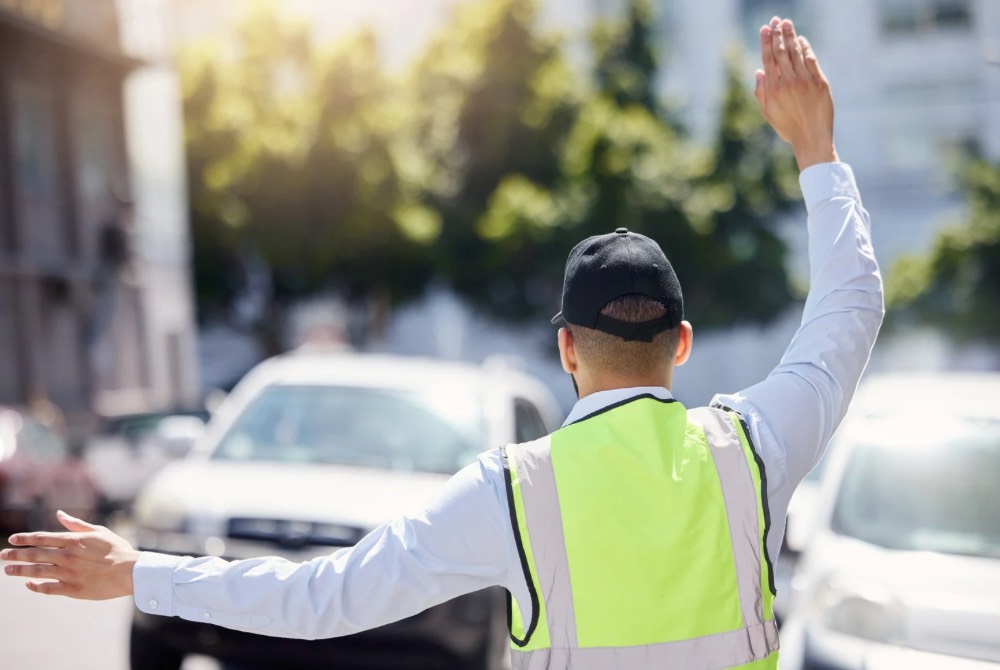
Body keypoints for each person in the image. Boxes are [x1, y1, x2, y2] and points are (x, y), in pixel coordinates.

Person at [1, 17, 882, 669]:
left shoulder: (514, 491)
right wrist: (817, 151)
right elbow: (851, 310)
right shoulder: (754, 452)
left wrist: (140, 572)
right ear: (681, 343)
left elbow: (325, 597)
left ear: (568, 350)